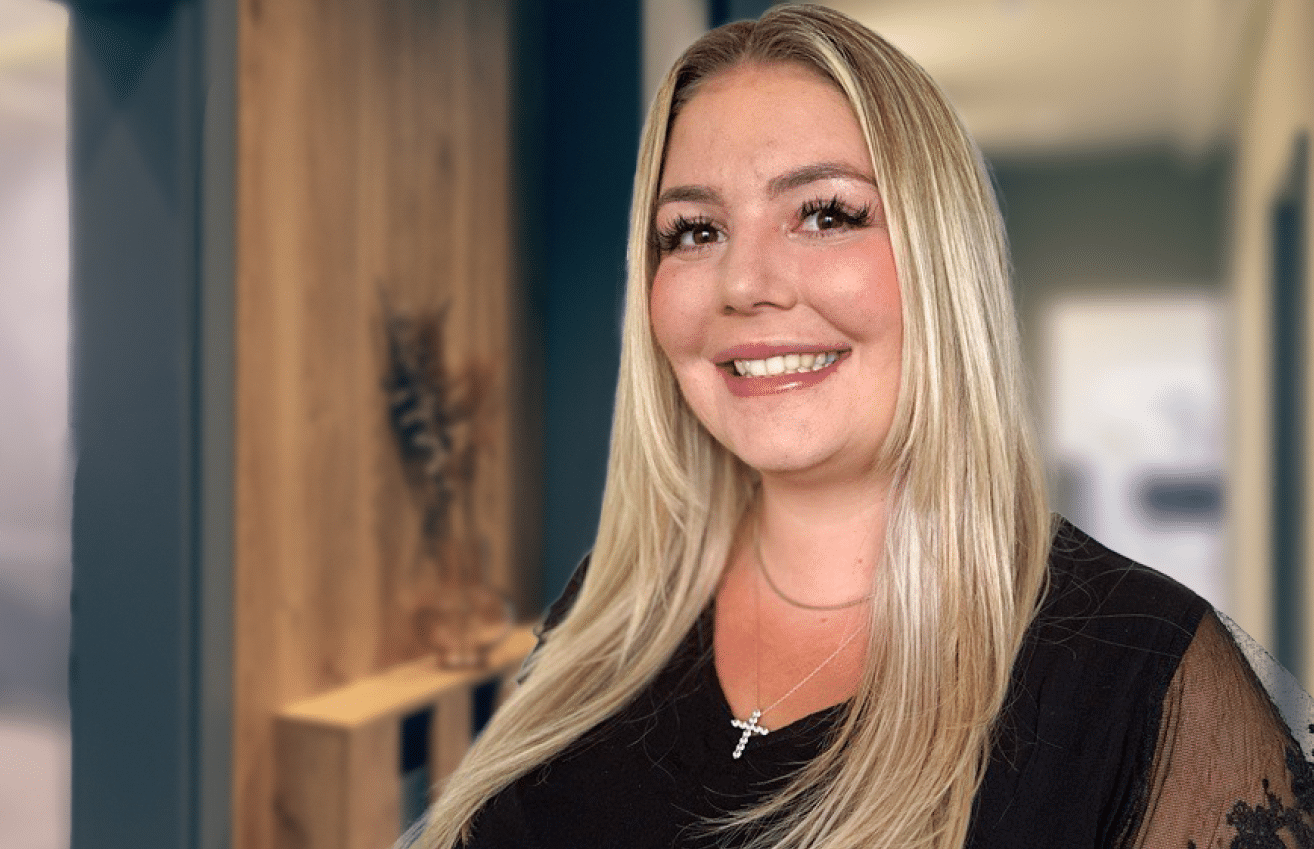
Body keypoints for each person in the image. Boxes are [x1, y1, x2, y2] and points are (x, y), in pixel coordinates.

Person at [407, 5, 1314, 848]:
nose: (744, 283)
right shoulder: (608, 619)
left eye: (826, 213)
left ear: (940, 263)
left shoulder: (1138, 675)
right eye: (693, 230)